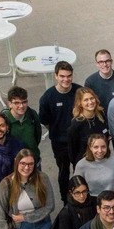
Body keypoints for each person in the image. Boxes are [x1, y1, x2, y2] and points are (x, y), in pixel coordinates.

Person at [38, 61, 82, 204]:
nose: (66, 79)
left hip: (79, 141)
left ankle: (81, 196)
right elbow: (44, 120)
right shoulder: (48, 97)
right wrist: (57, 130)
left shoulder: (79, 92)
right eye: (62, 76)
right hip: (60, 142)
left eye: (69, 76)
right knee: (63, 172)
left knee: (80, 170)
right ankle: (65, 200)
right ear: (56, 76)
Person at [66, 87, 110, 168]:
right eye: (86, 100)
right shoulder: (76, 125)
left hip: (103, 162)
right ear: (80, 103)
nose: (90, 102)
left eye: (91, 98)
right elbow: (72, 152)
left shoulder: (101, 115)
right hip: (86, 166)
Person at [2, 86, 42, 161]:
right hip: (15, 163)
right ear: (9, 104)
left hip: (34, 159)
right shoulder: (4, 120)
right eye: (17, 103)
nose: (21, 106)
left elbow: (38, 135)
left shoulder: (32, 114)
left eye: (24, 102)